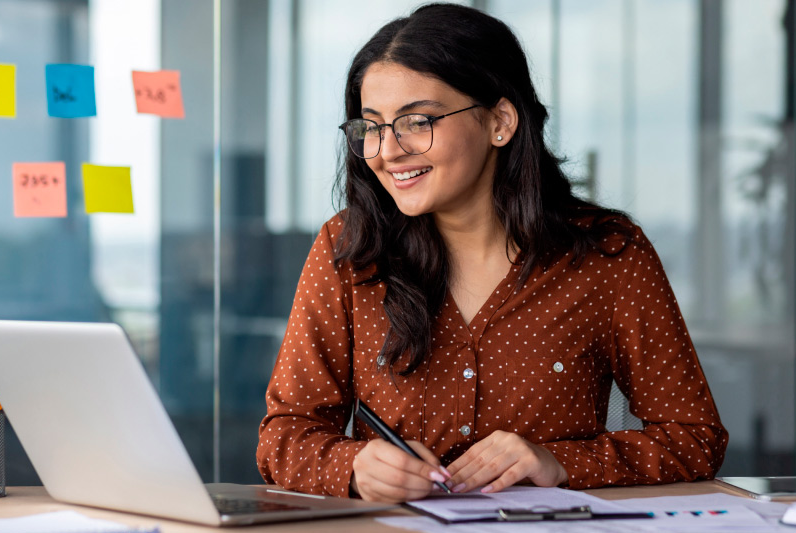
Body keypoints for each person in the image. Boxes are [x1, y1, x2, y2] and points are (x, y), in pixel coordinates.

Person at [256, 3, 728, 503]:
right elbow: (283, 436)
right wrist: (354, 467)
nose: (387, 150)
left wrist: (559, 463)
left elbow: (694, 438)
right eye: (371, 126)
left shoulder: (608, 255)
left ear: (500, 120)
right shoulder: (349, 249)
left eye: (417, 121)